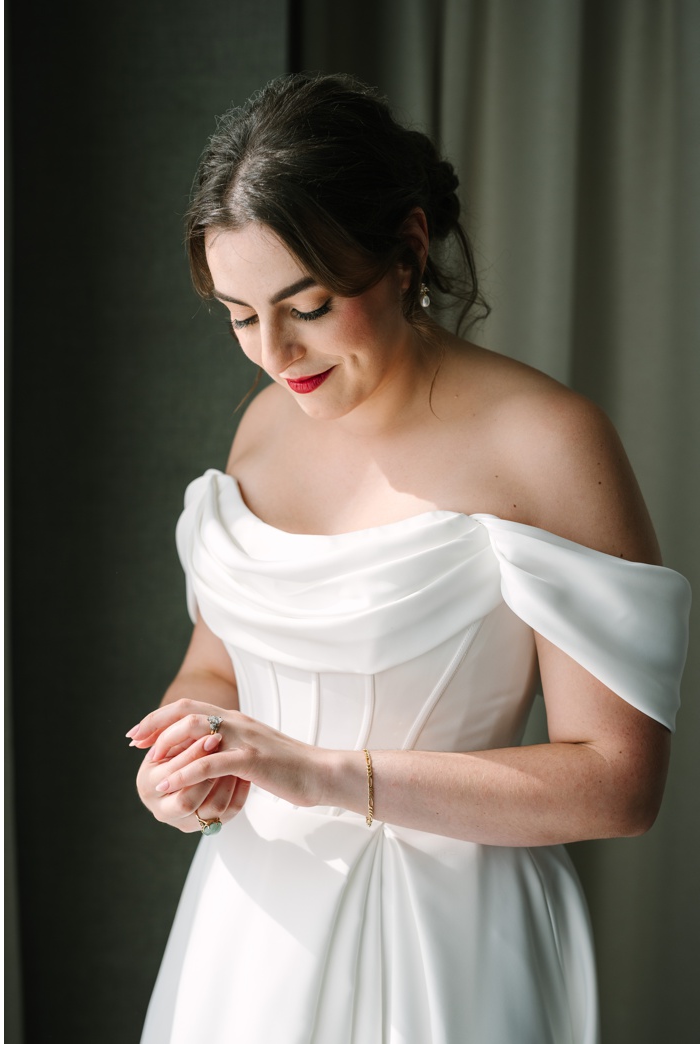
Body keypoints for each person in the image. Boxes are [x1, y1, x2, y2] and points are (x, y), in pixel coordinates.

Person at [127, 73, 690, 1044]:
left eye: (304, 304)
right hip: (248, 924)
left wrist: (322, 774)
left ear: (406, 248)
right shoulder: (264, 422)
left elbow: (617, 784)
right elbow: (219, 662)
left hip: (446, 931)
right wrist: (183, 754)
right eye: (236, 313)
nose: (271, 351)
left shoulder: (545, 442)